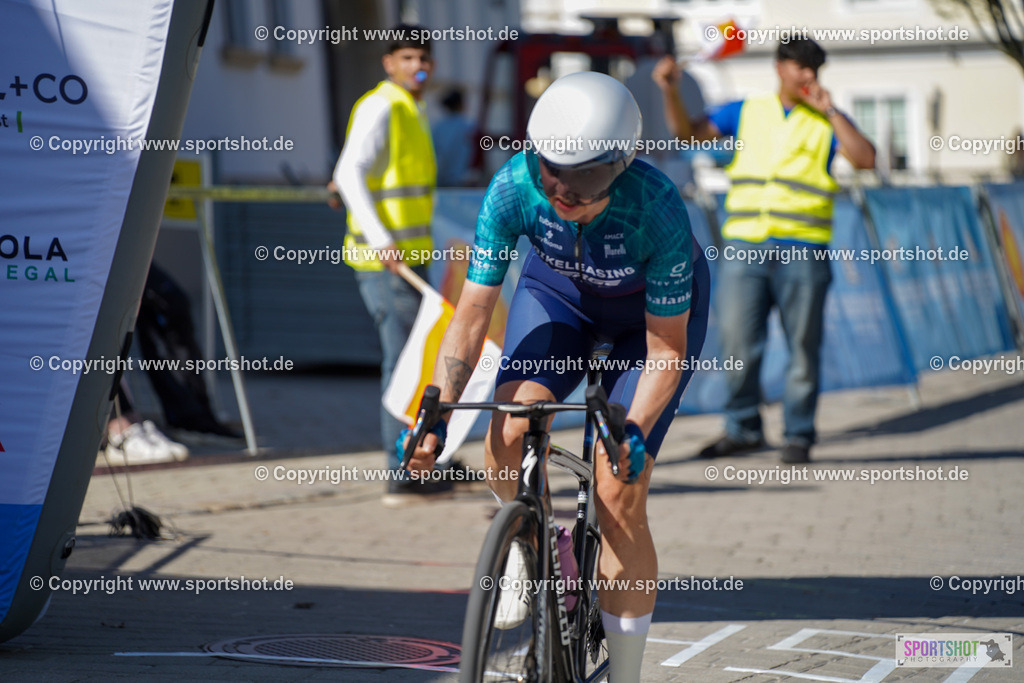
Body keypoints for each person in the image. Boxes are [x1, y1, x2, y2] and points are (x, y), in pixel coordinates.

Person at [403, 71, 710, 682]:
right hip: (560, 302)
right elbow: (471, 313)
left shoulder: (657, 208)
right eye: (553, 172)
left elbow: (666, 351)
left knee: (619, 490)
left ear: (621, 163)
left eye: (586, 178)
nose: (565, 192)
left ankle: (624, 674)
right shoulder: (513, 187)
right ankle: (537, 555)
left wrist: (634, 434)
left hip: (644, 326)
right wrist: (434, 411)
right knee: (506, 436)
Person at [655, 38, 875, 464]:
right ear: (780, 67)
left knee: (801, 348)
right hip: (746, 247)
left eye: (815, 68)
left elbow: (866, 159)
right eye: (801, 67)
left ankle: (798, 433)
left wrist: (831, 111)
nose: (809, 75)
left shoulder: (825, 119)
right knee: (738, 343)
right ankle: (743, 429)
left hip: (804, 250)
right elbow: (687, 134)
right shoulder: (747, 111)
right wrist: (669, 89)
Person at [328, 25, 451, 506]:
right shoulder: (383, 105)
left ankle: (419, 457)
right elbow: (348, 172)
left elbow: (351, 178)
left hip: (406, 260)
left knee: (415, 362)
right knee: (402, 365)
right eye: (406, 57)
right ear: (388, 62)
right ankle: (401, 470)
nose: (416, 65)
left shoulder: (410, 108)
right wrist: (382, 241)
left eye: (423, 57)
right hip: (386, 263)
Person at [431, 88, 475, 187]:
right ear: (460, 104)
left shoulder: (438, 127)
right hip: (462, 181)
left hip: (440, 181)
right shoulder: (469, 127)